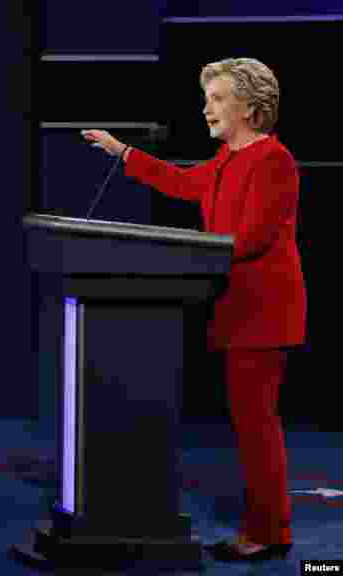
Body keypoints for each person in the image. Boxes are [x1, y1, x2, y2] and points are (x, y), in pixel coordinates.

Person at [82, 57, 304, 563]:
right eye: (207, 99)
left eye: (218, 98)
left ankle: (269, 531)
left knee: (257, 426)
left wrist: (189, 254)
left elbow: (252, 237)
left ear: (251, 108)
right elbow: (183, 184)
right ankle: (267, 527)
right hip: (236, 307)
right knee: (250, 424)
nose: (207, 109)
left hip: (264, 312)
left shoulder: (273, 160)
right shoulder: (227, 159)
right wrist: (124, 153)